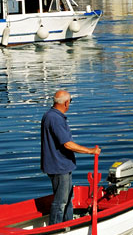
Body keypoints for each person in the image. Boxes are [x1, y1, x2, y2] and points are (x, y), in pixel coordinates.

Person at [40, 90, 100, 224]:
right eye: (70, 101)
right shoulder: (55, 118)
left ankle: (68, 224)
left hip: (61, 165)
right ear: (66, 103)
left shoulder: (50, 115)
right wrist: (91, 151)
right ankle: (55, 229)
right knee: (60, 202)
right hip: (59, 166)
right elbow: (67, 144)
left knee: (67, 198)